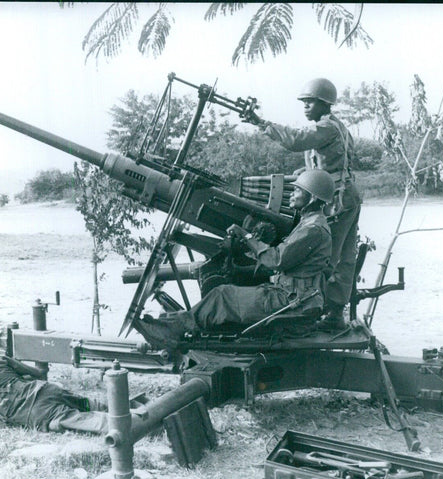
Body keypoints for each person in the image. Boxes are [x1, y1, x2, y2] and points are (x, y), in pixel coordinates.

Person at [133, 169, 334, 349]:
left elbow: (277, 260)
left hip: (290, 301)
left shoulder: (312, 229)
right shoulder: (310, 223)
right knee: (224, 293)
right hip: (292, 295)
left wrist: (247, 236)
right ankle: (169, 324)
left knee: (222, 296)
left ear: (313, 198)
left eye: (298, 191)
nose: (292, 194)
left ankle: (170, 331)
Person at [245, 77, 361, 331]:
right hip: (346, 194)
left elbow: (296, 140)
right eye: (305, 102)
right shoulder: (336, 127)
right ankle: (333, 312)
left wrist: (260, 123)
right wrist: (305, 172)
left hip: (337, 199)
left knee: (328, 258)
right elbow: (330, 163)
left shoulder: (326, 128)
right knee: (345, 258)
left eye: (311, 102)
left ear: (325, 104)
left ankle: (323, 310)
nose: (306, 106)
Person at [0, 337, 130, 434]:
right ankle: (135, 410)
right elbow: (38, 373)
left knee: (87, 421)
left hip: (39, 413)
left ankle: (139, 425)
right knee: (90, 405)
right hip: (47, 390)